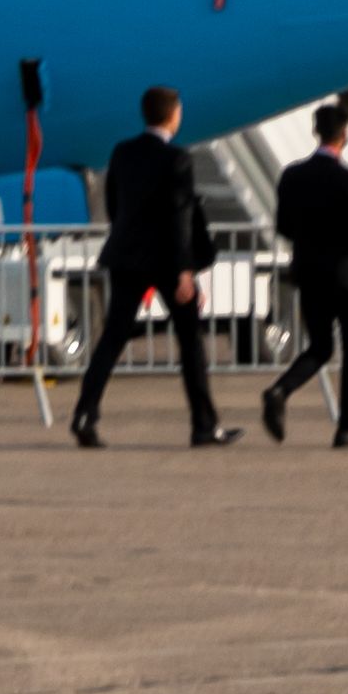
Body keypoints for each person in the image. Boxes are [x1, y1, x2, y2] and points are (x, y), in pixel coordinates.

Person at [67, 83, 222, 449]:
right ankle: (204, 425)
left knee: (112, 338)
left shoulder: (122, 152)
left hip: (126, 255)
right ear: (174, 115)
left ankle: (84, 414)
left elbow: (115, 204)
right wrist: (186, 271)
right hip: (167, 261)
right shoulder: (178, 159)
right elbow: (180, 216)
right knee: (189, 342)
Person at [262, 99, 348, 449]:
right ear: (344, 135)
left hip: (311, 272)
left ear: (316, 132)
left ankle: (280, 389)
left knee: (319, 346)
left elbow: (284, 226)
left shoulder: (292, 176)